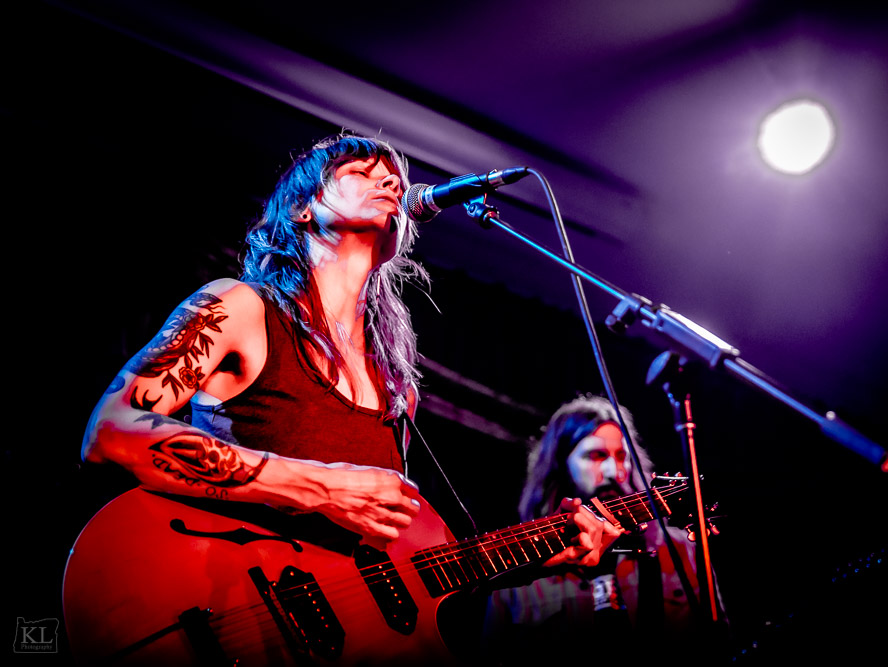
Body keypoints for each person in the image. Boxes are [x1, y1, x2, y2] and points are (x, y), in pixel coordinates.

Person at [78, 133, 616, 662]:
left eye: (395, 179)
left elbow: (389, 576)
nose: (390, 182)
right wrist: (320, 486)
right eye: (360, 172)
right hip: (215, 603)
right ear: (303, 209)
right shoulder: (241, 308)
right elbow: (111, 432)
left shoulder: (397, 386)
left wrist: (538, 554)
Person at [483, 395, 725, 665]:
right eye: (596, 455)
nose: (614, 471)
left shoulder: (679, 550)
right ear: (561, 464)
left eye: (622, 456)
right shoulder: (516, 567)